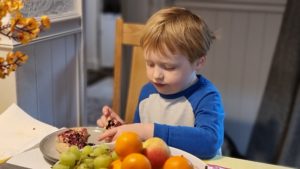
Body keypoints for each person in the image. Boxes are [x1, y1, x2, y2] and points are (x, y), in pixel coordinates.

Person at [97, 6, 224, 159]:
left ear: (198, 62)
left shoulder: (206, 96)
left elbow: (209, 142)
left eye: (169, 67)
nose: (156, 75)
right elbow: (142, 139)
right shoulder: (147, 92)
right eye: (150, 64)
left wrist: (148, 130)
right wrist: (123, 129)